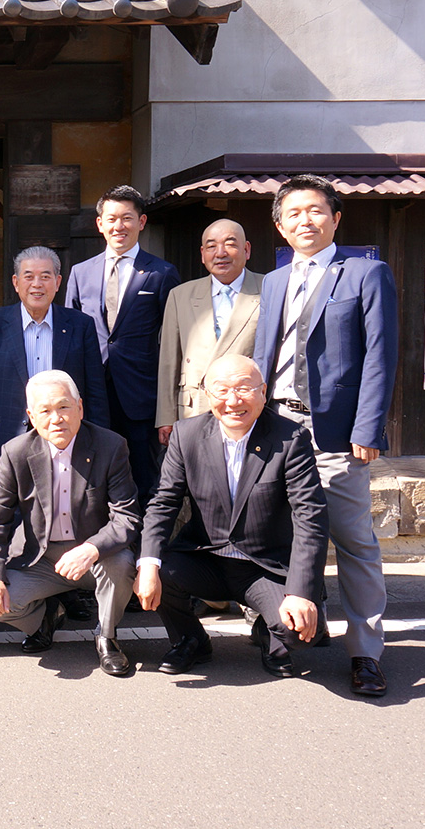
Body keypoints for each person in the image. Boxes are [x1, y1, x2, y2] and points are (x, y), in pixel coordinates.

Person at [253, 174, 398, 697]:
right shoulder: (274, 281)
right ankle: (287, 631)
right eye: (293, 214)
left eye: (315, 211)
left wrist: (368, 427)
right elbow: (263, 357)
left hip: (334, 431)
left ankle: (365, 652)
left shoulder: (364, 274)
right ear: (280, 225)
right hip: (277, 425)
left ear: (336, 219)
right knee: (280, 535)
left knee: (354, 542)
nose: (304, 221)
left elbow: (381, 357)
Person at [136, 355, 328, 680]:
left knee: (299, 632)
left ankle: (269, 632)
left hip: (264, 567)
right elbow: (163, 502)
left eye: (243, 389)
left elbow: (311, 518)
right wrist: (148, 563)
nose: (233, 401)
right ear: (208, 395)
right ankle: (191, 640)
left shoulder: (290, 439)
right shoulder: (187, 435)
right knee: (155, 569)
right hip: (207, 559)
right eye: (221, 390)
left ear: (263, 392)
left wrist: (301, 592)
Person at [0, 370, 140, 677]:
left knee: (121, 564)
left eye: (64, 407)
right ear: (31, 416)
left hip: (96, 557)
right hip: (41, 557)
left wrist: (91, 548)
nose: (56, 418)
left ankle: (107, 637)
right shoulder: (16, 453)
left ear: (80, 407)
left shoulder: (110, 446)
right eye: (45, 410)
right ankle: (46, 619)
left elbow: (127, 517)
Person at [65, 185, 180, 504]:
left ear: (141, 222)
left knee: (142, 474)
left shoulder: (161, 273)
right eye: (111, 218)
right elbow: (72, 336)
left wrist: (168, 407)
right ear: (99, 223)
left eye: (127, 218)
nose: (119, 226)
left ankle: (142, 547)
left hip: (141, 393)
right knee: (93, 471)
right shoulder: (80, 273)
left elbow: (173, 338)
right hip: (93, 392)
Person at [0, 245, 110, 476]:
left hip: (66, 436)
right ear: (16, 282)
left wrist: (101, 442)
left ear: (58, 281)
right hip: (7, 438)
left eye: (45, 276)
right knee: (10, 508)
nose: (37, 284)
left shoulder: (80, 325)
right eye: (28, 276)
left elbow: (96, 392)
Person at [156, 219, 261, 445]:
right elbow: (169, 362)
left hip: (245, 406)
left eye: (230, 244)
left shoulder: (268, 289)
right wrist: (165, 417)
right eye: (211, 246)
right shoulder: (180, 295)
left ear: (247, 249)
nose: (220, 253)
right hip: (194, 407)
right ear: (202, 254)